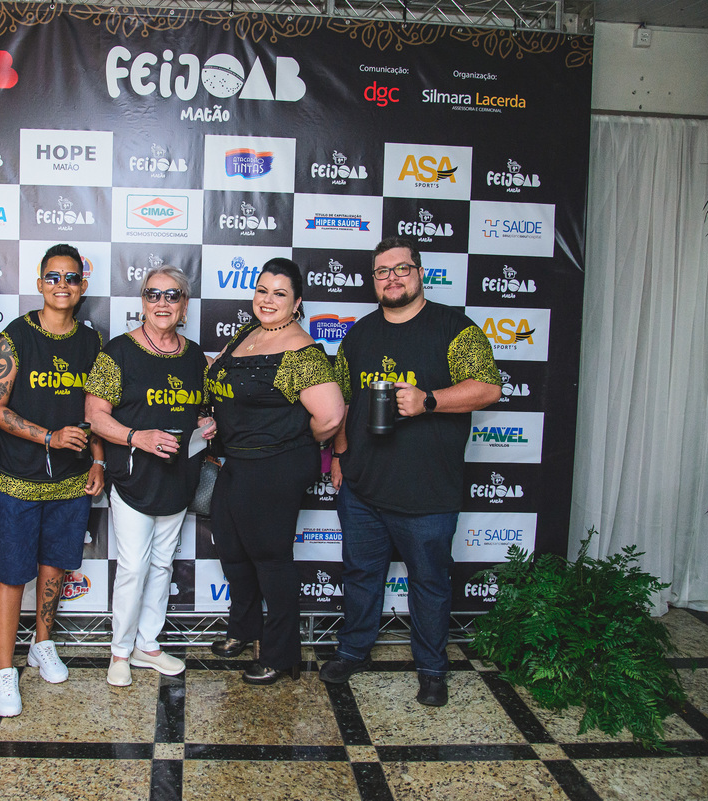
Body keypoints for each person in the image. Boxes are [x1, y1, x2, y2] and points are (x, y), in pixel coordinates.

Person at [319, 236, 501, 707]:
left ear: (420, 273)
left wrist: (429, 400)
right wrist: (339, 456)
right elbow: (343, 402)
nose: (392, 278)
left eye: (401, 268)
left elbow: (488, 388)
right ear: (373, 280)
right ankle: (354, 650)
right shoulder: (359, 334)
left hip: (428, 492)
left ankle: (432, 669)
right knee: (361, 574)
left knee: (430, 584)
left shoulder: (455, 329)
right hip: (362, 488)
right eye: (382, 271)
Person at [206, 257, 345, 685]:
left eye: (279, 294)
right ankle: (243, 629)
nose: (268, 300)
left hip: (275, 464)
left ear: (297, 302)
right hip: (238, 460)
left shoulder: (301, 351)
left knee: (270, 557)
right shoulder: (247, 334)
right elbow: (217, 376)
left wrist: (291, 439)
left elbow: (331, 417)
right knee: (232, 549)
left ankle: (282, 654)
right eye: (262, 290)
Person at [0, 244, 105, 717]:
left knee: (55, 566)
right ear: (39, 284)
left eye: (71, 278)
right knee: (13, 574)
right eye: (53, 277)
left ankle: (42, 643)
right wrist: (48, 437)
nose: (62, 285)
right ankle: (4, 670)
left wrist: (98, 461)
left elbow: (97, 411)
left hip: (71, 482)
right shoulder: (15, 336)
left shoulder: (92, 341)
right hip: (17, 478)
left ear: (82, 286)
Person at [84, 265, 215, 687]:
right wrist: (136, 436)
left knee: (162, 564)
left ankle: (148, 644)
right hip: (134, 478)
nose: (162, 303)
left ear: (184, 305)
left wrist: (206, 424)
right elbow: (94, 416)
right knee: (134, 567)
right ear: (142, 302)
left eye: (172, 295)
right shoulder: (118, 352)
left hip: (179, 477)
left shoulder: (195, 356)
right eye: (153, 294)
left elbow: (200, 409)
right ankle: (120, 651)